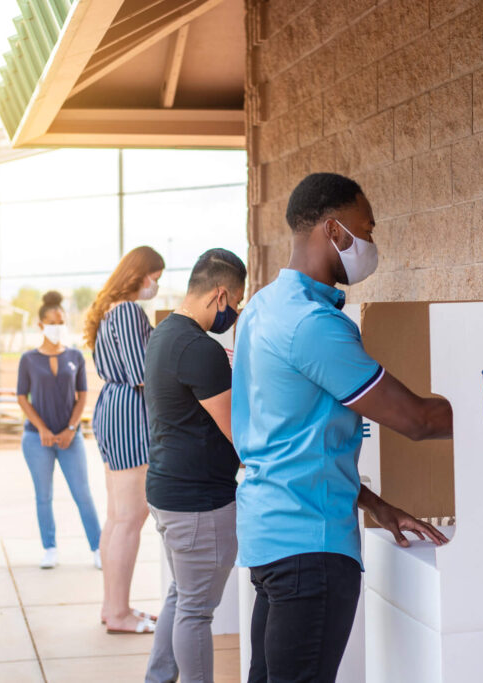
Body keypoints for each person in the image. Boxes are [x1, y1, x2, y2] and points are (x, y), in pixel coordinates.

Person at [232, 172, 454, 683]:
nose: (371, 243)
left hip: (270, 539)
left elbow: (294, 442)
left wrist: (376, 505)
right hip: (310, 551)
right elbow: (416, 420)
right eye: (366, 229)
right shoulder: (313, 325)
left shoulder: (263, 308)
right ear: (334, 231)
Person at [143, 249, 246, 683]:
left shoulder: (164, 334)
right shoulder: (200, 349)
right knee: (196, 611)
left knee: (181, 596)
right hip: (199, 503)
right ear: (220, 294)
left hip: (168, 493)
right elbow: (238, 432)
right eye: (235, 303)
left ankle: (159, 677)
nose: (235, 313)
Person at [84, 245, 166, 635]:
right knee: (131, 518)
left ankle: (114, 606)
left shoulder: (108, 312)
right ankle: (118, 612)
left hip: (112, 409)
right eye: (156, 277)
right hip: (131, 412)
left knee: (118, 517)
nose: (156, 285)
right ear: (141, 274)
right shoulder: (130, 311)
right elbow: (142, 372)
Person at [16, 291, 101, 570]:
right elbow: (22, 397)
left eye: (61, 322)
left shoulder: (75, 356)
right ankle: (50, 548)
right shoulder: (28, 359)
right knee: (44, 495)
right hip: (36, 439)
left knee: (82, 493)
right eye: (52, 322)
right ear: (41, 325)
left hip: (70, 439)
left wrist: (70, 429)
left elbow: (82, 395)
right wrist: (41, 429)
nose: (58, 327)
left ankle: (98, 548)